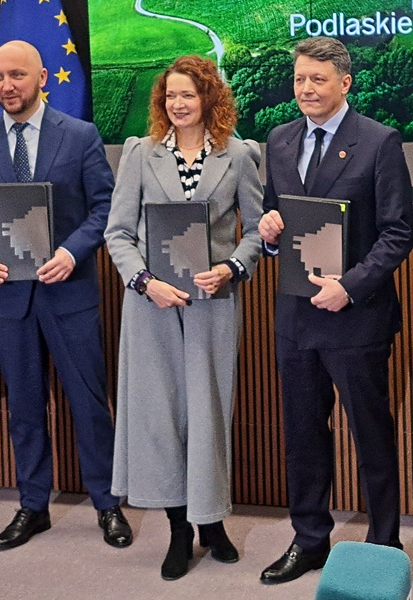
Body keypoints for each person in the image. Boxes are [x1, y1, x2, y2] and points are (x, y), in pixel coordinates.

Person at [0, 40, 128, 550]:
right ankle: (33, 505)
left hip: (68, 292)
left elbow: (105, 208)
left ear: (42, 78)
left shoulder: (79, 136)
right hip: (9, 300)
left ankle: (107, 504)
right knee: (24, 408)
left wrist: (73, 252)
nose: (7, 86)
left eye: (17, 76)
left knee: (90, 404)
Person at [255, 36, 413, 586]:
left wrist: (350, 287)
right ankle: (309, 539)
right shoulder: (277, 140)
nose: (306, 89)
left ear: (344, 83)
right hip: (296, 320)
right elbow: (277, 216)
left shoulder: (378, 141)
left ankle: (383, 543)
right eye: (299, 79)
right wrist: (269, 233)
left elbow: (399, 234)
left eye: (317, 80)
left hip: (356, 317)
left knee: (370, 434)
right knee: (302, 433)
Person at [104, 56, 263, 580]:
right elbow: (118, 233)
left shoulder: (239, 155)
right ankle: (178, 529)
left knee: (209, 415)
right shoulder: (138, 154)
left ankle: (211, 522)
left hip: (212, 304)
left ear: (209, 99)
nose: (177, 104)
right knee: (162, 416)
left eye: (187, 95)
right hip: (152, 305)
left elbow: (257, 231)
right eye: (170, 96)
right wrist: (146, 282)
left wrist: (233, 268)